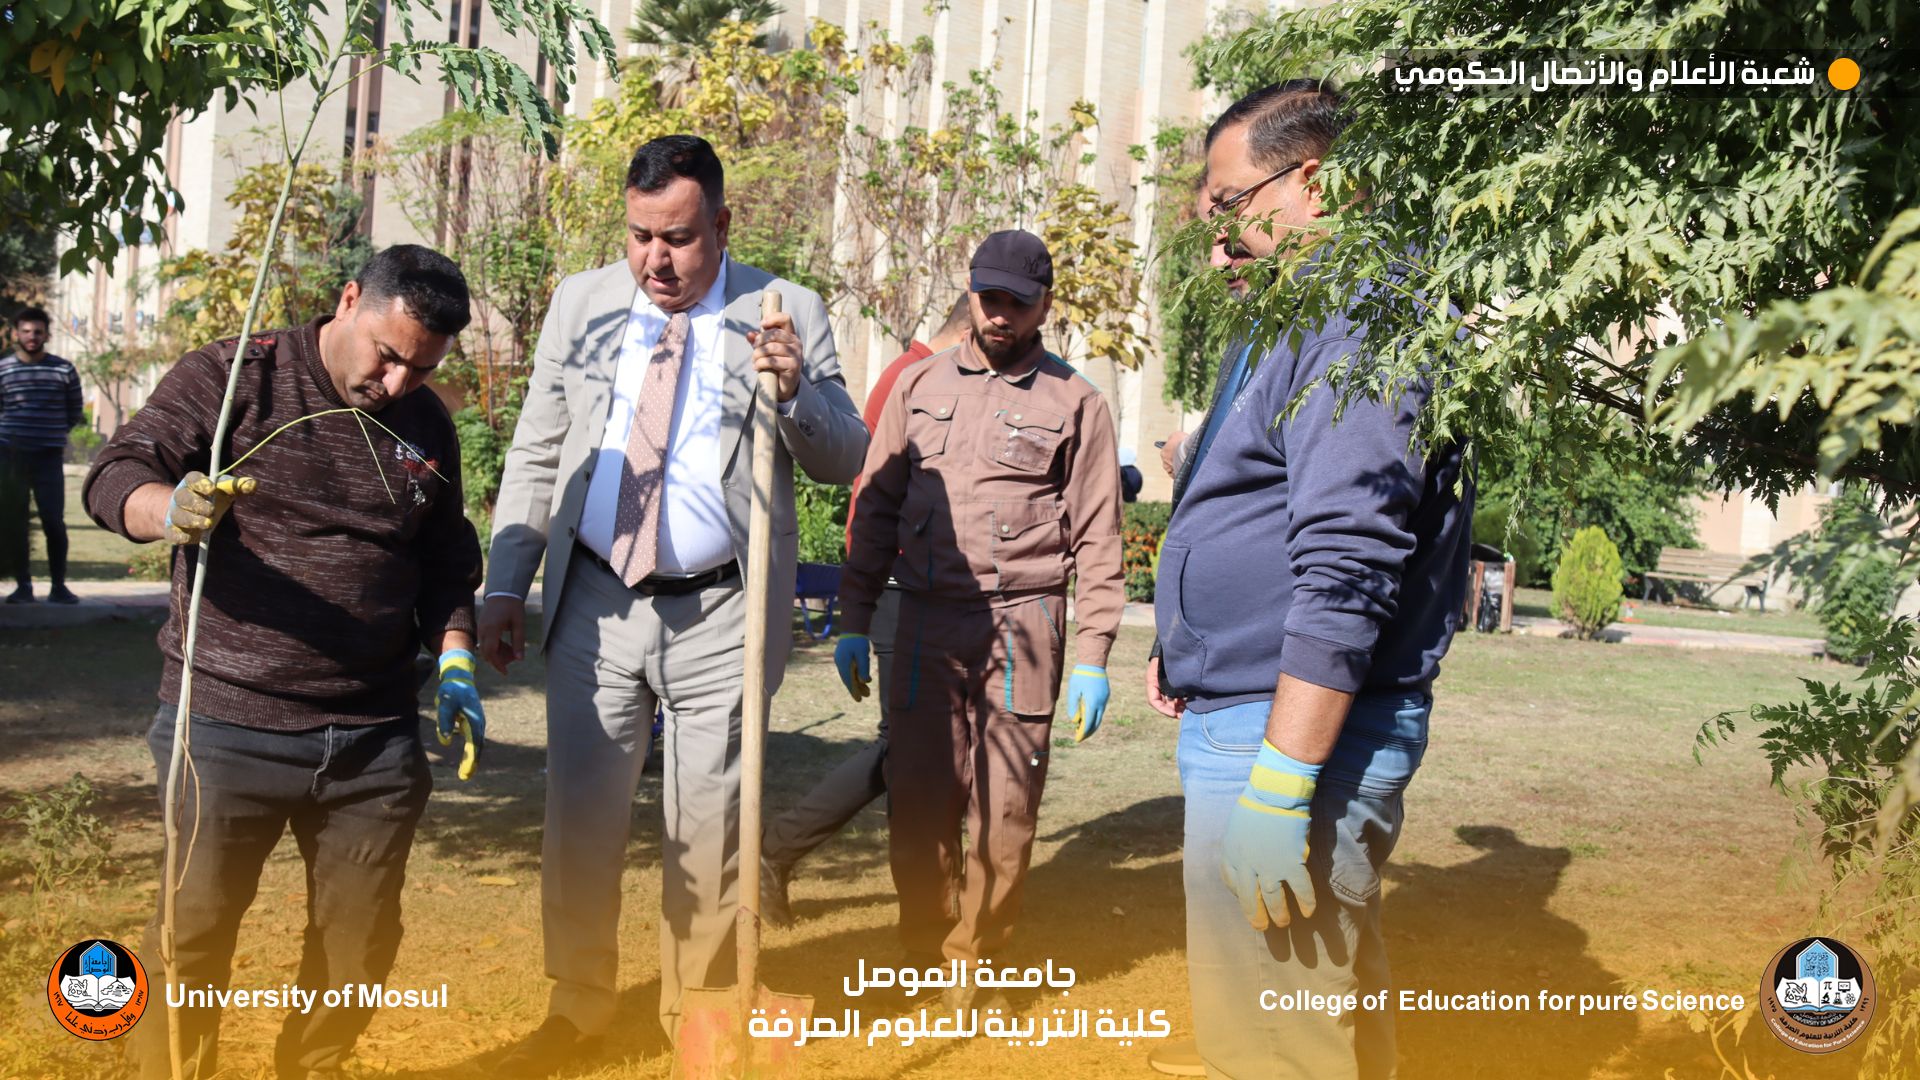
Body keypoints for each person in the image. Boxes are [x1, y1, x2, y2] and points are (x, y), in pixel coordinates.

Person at [477, 134, 868, 1072]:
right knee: (581, 817)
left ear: (721, 225)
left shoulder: (784, 310)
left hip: (723, 612)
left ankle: (699, 1010)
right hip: (594, 600)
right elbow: (538, 448)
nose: (655, 259)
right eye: (639, 235)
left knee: (713, 824)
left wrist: (794, 391)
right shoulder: (580, 303)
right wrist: (505, 580)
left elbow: (846, 455)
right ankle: (578, 1005)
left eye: (679, 238)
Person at [81, 246, 486, 1080]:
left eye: (422, 368)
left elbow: (446, 561)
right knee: (192, 937)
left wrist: (455, 658)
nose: (398, 382)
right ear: (349, 299)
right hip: (226, 725)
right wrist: (169, 509)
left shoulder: (424, 424)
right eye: (388, 354)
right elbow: (116, 473)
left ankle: (313, 1067)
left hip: (374, 738)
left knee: (357, 944)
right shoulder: (238, 377)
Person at [1146, 80, 1473, 1080]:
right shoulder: (1307, 314)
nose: (1218, 244)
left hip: (1291, 743)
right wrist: (1191, 642)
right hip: (1254, 711)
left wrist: (1282, 790)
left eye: (1230, 206)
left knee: (1273, 1049)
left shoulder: (1361, 320)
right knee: (1315, 1033)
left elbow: (1349, 563)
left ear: (1314, 182)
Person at [834, 230, 1125, 998]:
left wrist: (1093, 655)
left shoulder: (1077, 404)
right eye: (989, 298)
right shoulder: (917, 386)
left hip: (1024, 621)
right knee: (919, 798)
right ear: (970, 293)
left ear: (1045, 306)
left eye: (1017, 303)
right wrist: (855, 617)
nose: (1000, 315)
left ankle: (977, 959)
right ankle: (922, 949)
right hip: (925, 621)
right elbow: (876, 508)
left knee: (1007, 805)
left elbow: (1099, 537)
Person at [758, 294, 973, 927]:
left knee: (926, 747)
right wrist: (859, 609)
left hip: (937, 596)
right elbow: (868, 498)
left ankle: (936, 899)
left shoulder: (938, 376)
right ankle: (778, 849)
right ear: (967, 330)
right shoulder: (909, 377)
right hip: (899, 593)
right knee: (907, 746)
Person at [0, 305, 85, 604]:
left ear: (47, 335)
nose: (32, 336)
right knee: (17, 522)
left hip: (48, 457)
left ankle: (58, 586)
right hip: (10, 456)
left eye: (38, 331)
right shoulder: (3, 369)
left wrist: (51, 432)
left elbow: (74, 411)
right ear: (15, 334)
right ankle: (23, 586)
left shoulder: (63, 370)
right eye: (25, 331)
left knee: (53, 521)